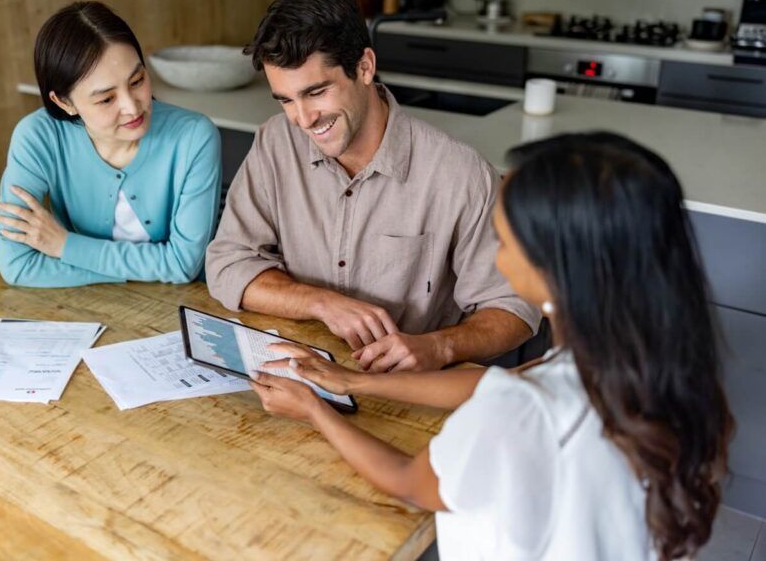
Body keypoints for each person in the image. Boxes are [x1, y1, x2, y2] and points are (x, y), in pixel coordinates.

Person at [249, 132, 734, 560]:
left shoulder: (519, 414)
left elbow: (408, 481)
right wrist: (355, 382)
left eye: (502, 241)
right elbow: (494, 382)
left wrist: (315, 409)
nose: (496, 258)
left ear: (553, 268)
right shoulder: (650, 365)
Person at [206, 0, 539, 372]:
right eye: (286, 100)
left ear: (365, 67)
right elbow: (228, 264)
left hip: (406, 391)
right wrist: (320, 302)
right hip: (298, 377)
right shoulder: (275, 143)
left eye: (317, 92)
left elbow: (514, 307)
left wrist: (439, 347)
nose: (303, 119)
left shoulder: (461, 176)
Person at [0, 1, 221, 287]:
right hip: (80, 310)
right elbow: (17, 265)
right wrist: (154, 268)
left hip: (179, 307)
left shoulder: (194, 137)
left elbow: (184, 264)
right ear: (64, 102)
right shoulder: (38, 137)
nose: (132, 107)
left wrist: (66, 247)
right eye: (106, 99)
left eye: (137, 81)